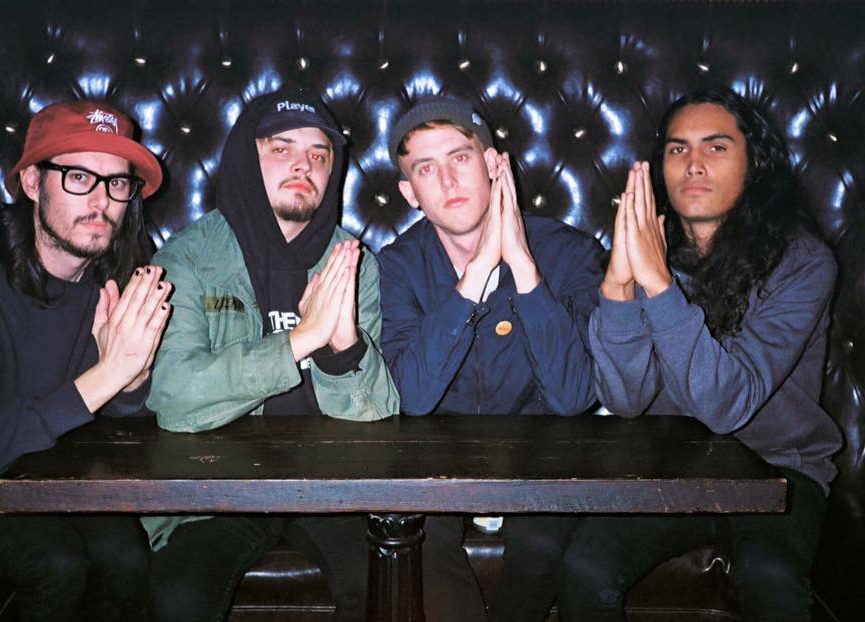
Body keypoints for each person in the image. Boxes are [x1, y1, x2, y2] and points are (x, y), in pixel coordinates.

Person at [560, 86, 843, 621]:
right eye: (677, 149)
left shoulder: (802, 262)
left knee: (772, 579)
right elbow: (626, 399)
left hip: (779, 471)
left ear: (754, 164)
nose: (693, 164)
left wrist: (658, 286)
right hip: (670, 469)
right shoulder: (653, 253)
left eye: (716, 147)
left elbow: (726, 404)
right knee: (584, 568)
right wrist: (618, 289)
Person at [0, 100, 170, 621]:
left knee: (127, 558)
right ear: (31, 182)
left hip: (48, 468)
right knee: (55, 564)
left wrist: (130, 385)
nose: (102, 201)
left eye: (118, 183)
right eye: (79, 177)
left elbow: (115, 419)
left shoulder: (116, 271)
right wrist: (105, 377)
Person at [143, 85, 400, 622]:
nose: (303, 165)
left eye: (319, 155)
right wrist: (301, 340)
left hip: (329, 487)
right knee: (177, 597)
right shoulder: (187, 258)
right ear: (245, 157)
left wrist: (342, 348)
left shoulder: (353, 264)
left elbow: (377, 419)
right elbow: (176, 398)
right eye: (281, 148)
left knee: (384, 588)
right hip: (217, 490)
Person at [379, 97, 603, 621]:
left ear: (493, 164)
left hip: (543, 457)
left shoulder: (569, 252)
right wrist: (477, 273)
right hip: (435, 461)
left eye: (460, 158)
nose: (448, 181)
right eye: (425, 169)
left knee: (543, 544)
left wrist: (521, 265)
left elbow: (573, 396)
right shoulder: (397, 266)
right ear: (410, 193)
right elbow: (411, 398)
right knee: (413, 539)